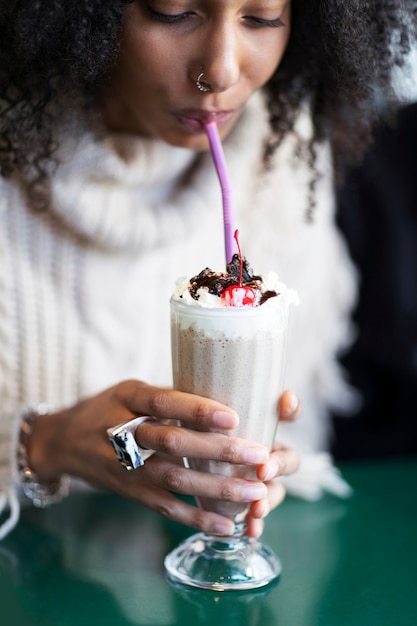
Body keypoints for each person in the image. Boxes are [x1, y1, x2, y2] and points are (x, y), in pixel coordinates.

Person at [0, 1, 415, 540]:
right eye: (172, 13)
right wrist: (43, 443)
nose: (219, 70)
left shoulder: (281, 150)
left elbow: (306, 422)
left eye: (262, 18)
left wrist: (265, 469)